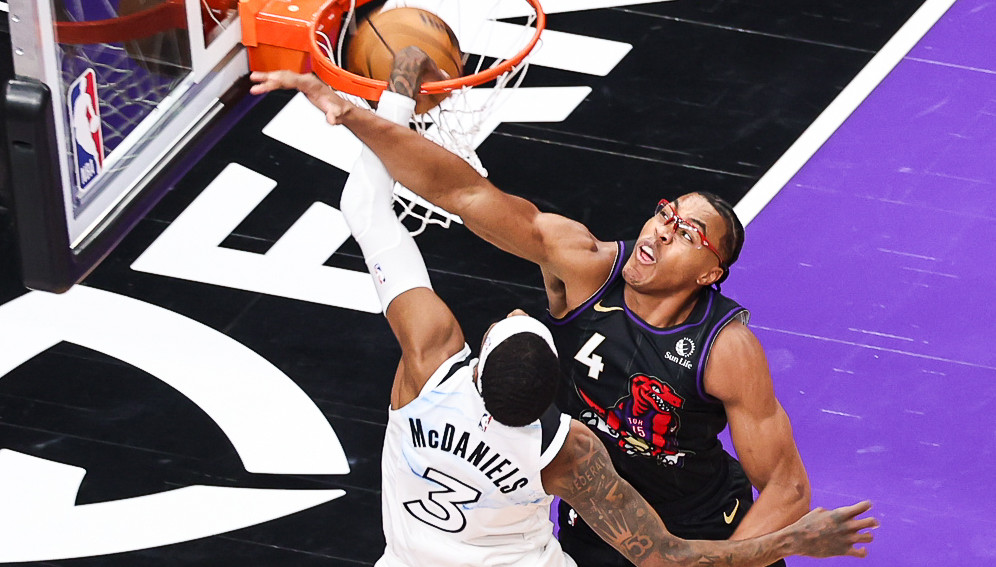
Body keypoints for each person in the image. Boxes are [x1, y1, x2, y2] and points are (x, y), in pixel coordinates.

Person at [250, 48, 877, 567]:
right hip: (596, 520)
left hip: (707, 530)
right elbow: (465, 192)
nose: (662, 230)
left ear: (710, 273)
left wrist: (748, 554)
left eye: (688, 232)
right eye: (667, 214)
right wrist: (355, 117)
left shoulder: (726, 349)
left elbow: (788, 488)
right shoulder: (585, 268)